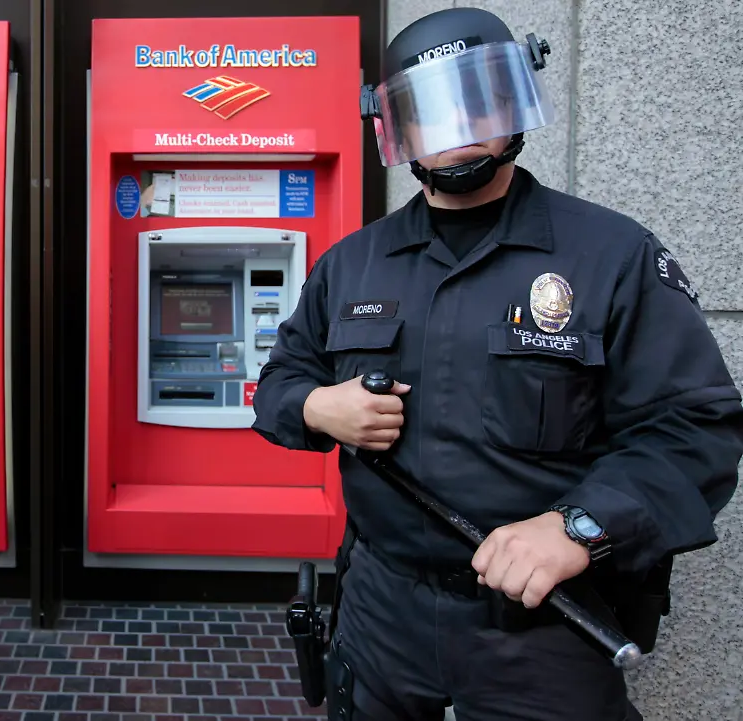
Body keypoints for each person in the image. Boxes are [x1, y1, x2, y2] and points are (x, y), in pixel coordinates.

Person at [252, 7, 743, 721]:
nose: (457, 130)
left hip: (542, 624)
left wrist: (580, 527)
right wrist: (315, 406)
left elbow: (695, 430)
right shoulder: (352, 264)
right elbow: (279, 383)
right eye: (431, 110)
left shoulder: (611, 256)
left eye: (476, 102)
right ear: (399, 127)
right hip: (381, 610)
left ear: (513, 104)